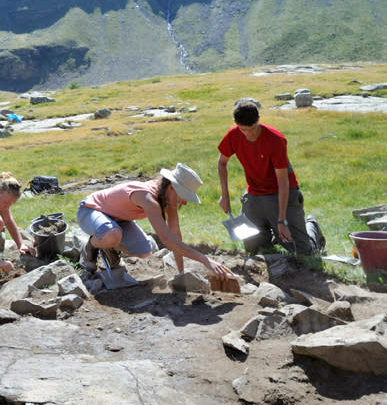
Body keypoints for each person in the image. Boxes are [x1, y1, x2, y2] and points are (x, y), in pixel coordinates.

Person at [77, 163, 233, 278]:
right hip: (90, 210)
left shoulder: (169, 199)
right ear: (172, 188)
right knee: (112, 235)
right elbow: (166, 239)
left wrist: (181, 274)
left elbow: (174, 236)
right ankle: (90, 247)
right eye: (183, 197)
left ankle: (108, 247)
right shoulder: (148, 198)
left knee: (144, 250)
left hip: (118, 220)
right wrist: (205, 259)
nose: (184, 202)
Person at [217, 98, 325, 255]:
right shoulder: (233, 135)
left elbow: (283, 182)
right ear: (235, 123)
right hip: (254, 194)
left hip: (282, 193)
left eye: (253, 128)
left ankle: (311, 226)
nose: (249, 134)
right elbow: (222, 163)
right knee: (254, 249)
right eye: (243, 130)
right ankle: (272, 233)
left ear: (259, 119)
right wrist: (225, 196)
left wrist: (282, 220)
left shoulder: (276, 140)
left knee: (302, 252)